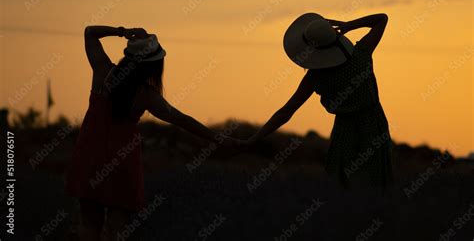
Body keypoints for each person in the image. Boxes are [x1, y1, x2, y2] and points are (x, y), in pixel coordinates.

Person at [65, 26, 238, 241]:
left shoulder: (102, 71)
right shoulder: (147, 96)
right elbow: (182, 120)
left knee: (89, 223)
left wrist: (122, 31)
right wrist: (221, 139)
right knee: (117, 228)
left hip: (89, 153)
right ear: (152, 67)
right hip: (122, 161)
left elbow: (90, 32)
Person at [248, 13, 393, 190]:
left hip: (344, 131)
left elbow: (286, 112)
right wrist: (349, 25)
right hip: (375, 125)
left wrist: (254, 139)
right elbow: (381, 19)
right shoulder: (361, 54)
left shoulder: (315, 77)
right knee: (375, 183)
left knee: (343, 187)